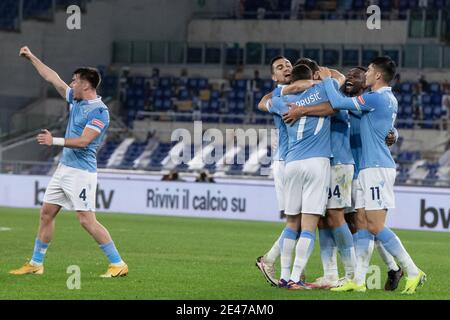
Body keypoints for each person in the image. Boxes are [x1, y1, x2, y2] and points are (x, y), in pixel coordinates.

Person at [9, 46, 128, 278]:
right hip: (64, 169)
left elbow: (84, 141)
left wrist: (53, 140)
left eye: (75, 81)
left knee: (86, 221)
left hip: (81, 173)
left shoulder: (100, 112)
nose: (71, 84)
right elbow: (52, 77)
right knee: (46, 214)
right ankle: (36, 263)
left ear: (86, 85)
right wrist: (32, 57)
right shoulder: (76, 99)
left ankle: (118, 263)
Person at [320, 57, 426, 294]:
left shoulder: (375, 98)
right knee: (363, 225)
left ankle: (411, 270)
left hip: (376, 168)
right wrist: (393, 133)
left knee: (376, 225)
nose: (364, 73)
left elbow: (337, 101)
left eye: (368, 70)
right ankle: (358, 280)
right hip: (368, 168)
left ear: (377, 75)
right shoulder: (382, 99)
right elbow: (384, 125)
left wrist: (328, 80)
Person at [268, 64, 333, 289]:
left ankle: (285, 276)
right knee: (308, 226)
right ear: (311, 77)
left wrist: (287, 90)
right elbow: (338, 89)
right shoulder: (324, 90)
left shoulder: (280, 100)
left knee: (291, 223)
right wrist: (320, 80)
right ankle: (296, 278)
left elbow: (265, 102)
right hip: (318, 162)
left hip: (292, 163)